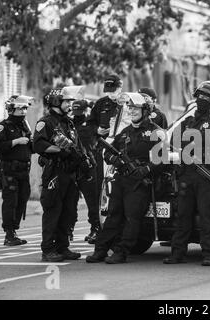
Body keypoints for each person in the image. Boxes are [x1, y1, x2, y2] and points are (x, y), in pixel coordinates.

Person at [86, 92, 161, 264]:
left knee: (132, 218)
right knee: (113, 215)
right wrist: (117, 162)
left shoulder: (156, 132)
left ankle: (121, 252)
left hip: (140, 184)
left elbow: (162, 158)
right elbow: (107, 152)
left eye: (136, 108)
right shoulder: (125, 132)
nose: (132, 111)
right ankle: (100, 250)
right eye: (130, 107)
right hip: (122, 180)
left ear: (146, 110)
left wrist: (145, 169)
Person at [163, 81, 210, 267]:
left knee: (206, 216)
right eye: (201, 96)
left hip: (205, 175)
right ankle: (178, 253)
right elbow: (173, 139)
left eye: (207, 98)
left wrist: (190, 147)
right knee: (183, 215)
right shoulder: (187, 121)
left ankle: (208, 254)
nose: (203, 100)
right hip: (186, 175)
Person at [33, 86, 84, 262]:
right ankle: (48, 250)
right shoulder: (45, 122)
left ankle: (63, 247)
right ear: (56, 102)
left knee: (68, 211)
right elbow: (38, 145)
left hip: (70, 172)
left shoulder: (68, 122)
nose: (70, 104)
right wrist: (59, 151)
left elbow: (76, 144)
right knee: (53, 210)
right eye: (67, 101)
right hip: (54, 171)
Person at [0, 95, 34, 246]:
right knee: (11, 201)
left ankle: (14, 231)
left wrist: (32, 142)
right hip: (9, 170)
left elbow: (32, 148)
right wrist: (16, 141)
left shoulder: (25, 126)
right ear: (11, 109)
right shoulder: (2, 127)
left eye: (25, 108)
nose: (24, 111)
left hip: (24, 170)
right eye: (20, 108)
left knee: (23, 199)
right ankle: (9, 233)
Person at [87, 75, 123, 195]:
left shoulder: (127, 103)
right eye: (108, 91)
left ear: (120, 88)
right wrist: (97, 130)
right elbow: (90, 123)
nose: (111, 94)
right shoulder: (101, 103)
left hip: (120, 150)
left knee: (116, 184)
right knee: (100, 185)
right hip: (102, 149)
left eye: (113, 91)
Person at [70, 99, 100, 244]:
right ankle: (68, 230)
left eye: (80, 112)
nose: (77, 115)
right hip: (72, 166)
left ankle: (95, 229)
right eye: (75, 112)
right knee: (69, 201)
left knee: (92, 201)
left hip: (89, 166)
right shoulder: (68, 123)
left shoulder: (93, 123)